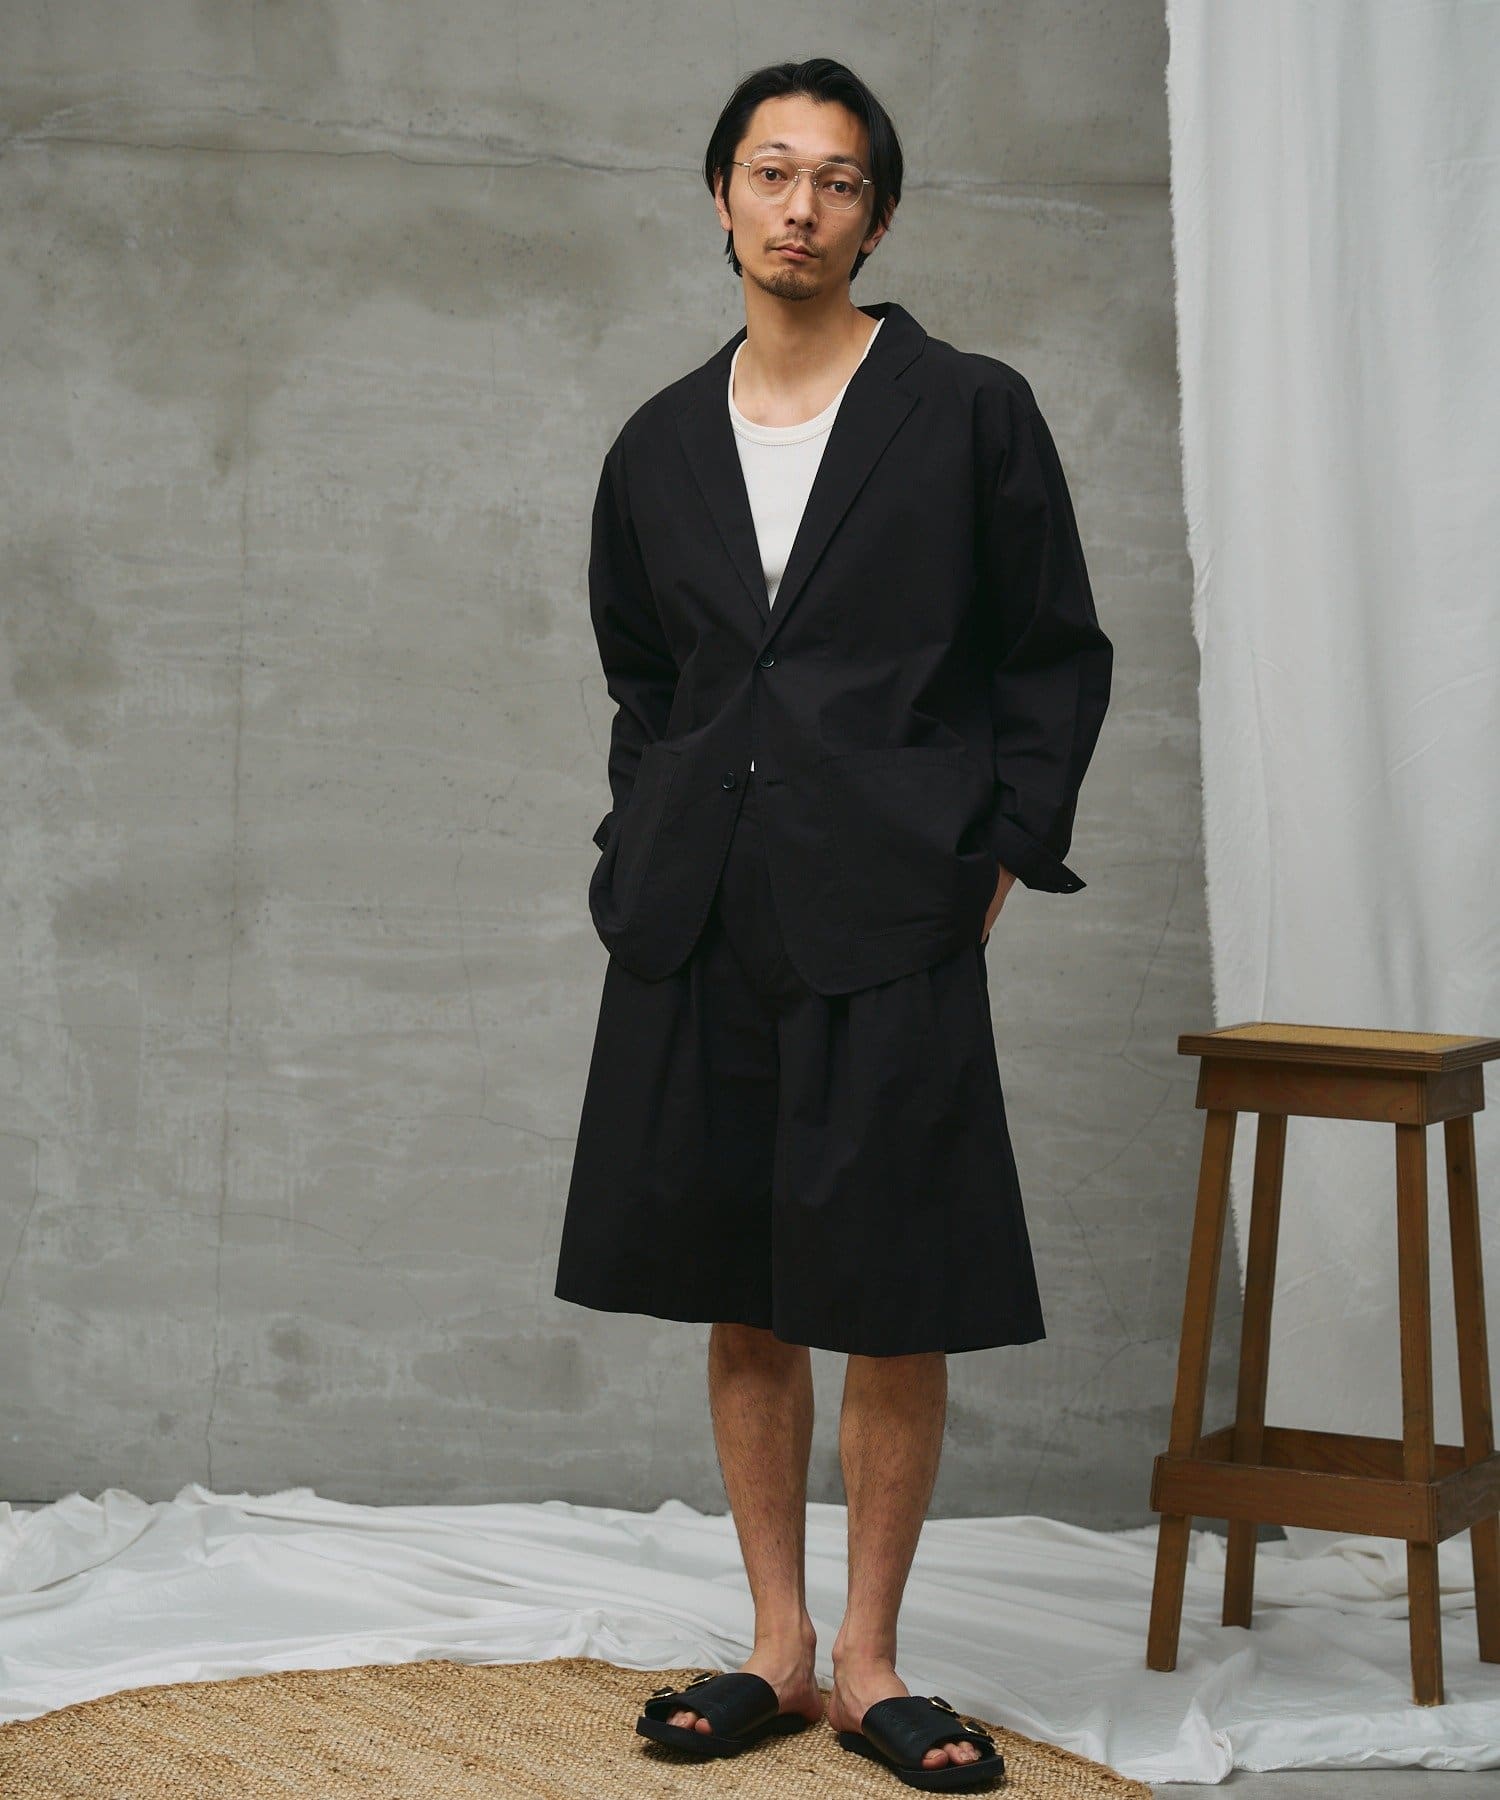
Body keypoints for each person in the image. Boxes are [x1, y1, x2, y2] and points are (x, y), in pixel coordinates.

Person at [555, 56, 1112, 1790]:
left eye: (839, 180)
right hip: (703, 911)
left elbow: (1051, 652)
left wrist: (992, 859)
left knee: (893, 1292)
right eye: (771, 172)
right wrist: (640, 840)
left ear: (878, 217)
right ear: (719, 195)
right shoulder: (659, 441)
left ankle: (870, 1662)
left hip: (893, 906)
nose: (800, 207)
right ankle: (776, 1645)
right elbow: (646, 676)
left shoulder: (968, 411)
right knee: (742, 1290)